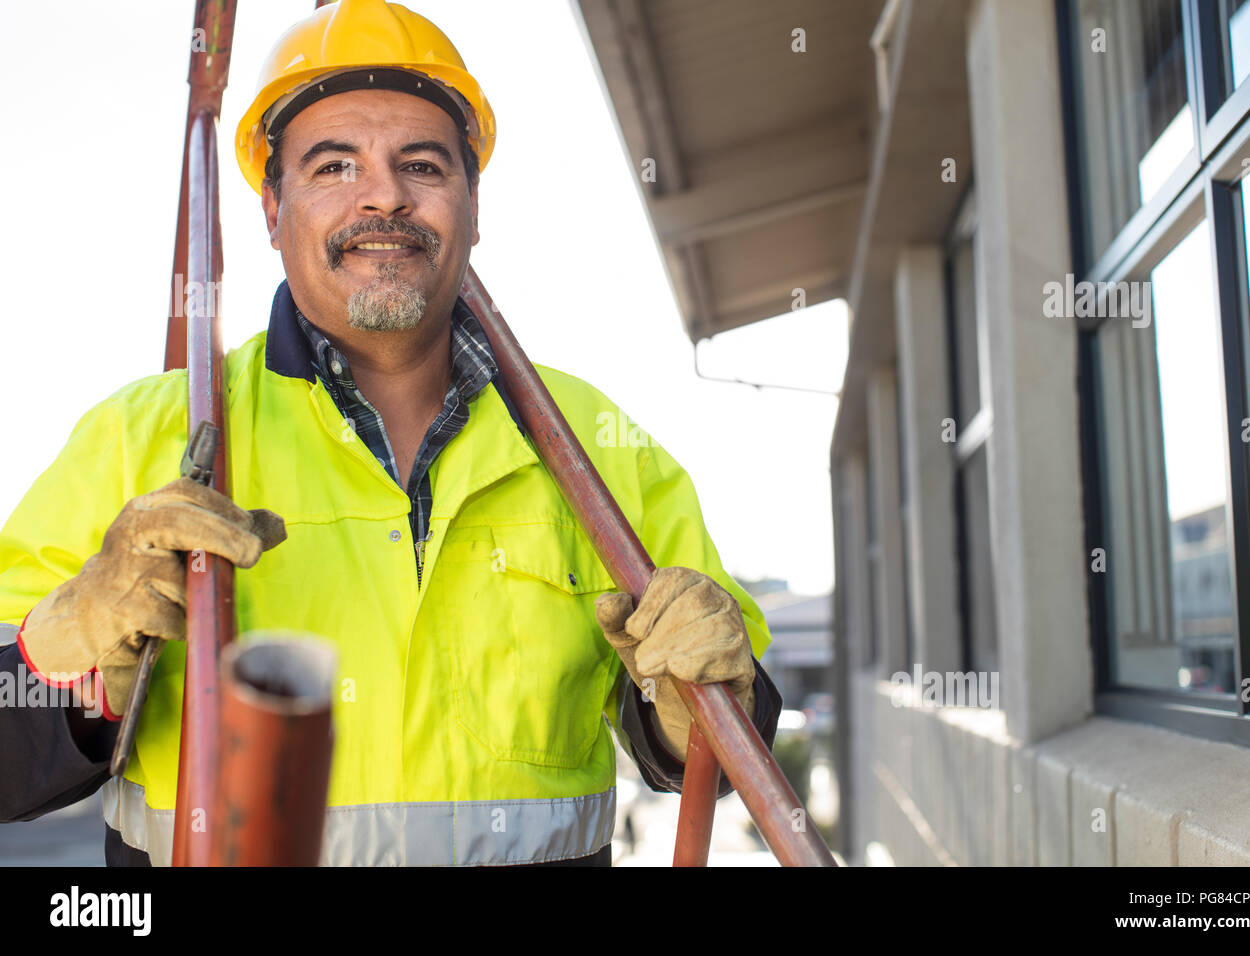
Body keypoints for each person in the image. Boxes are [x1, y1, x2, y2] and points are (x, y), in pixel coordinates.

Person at [0, 0, 780, 867]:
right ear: (271, 210)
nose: (385, 195)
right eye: (334, 166)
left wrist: (690, 712)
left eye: (422, 164)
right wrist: (71, 646)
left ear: (473, 210)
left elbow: (725, 740)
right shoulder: (142, 438)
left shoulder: (593, 448)